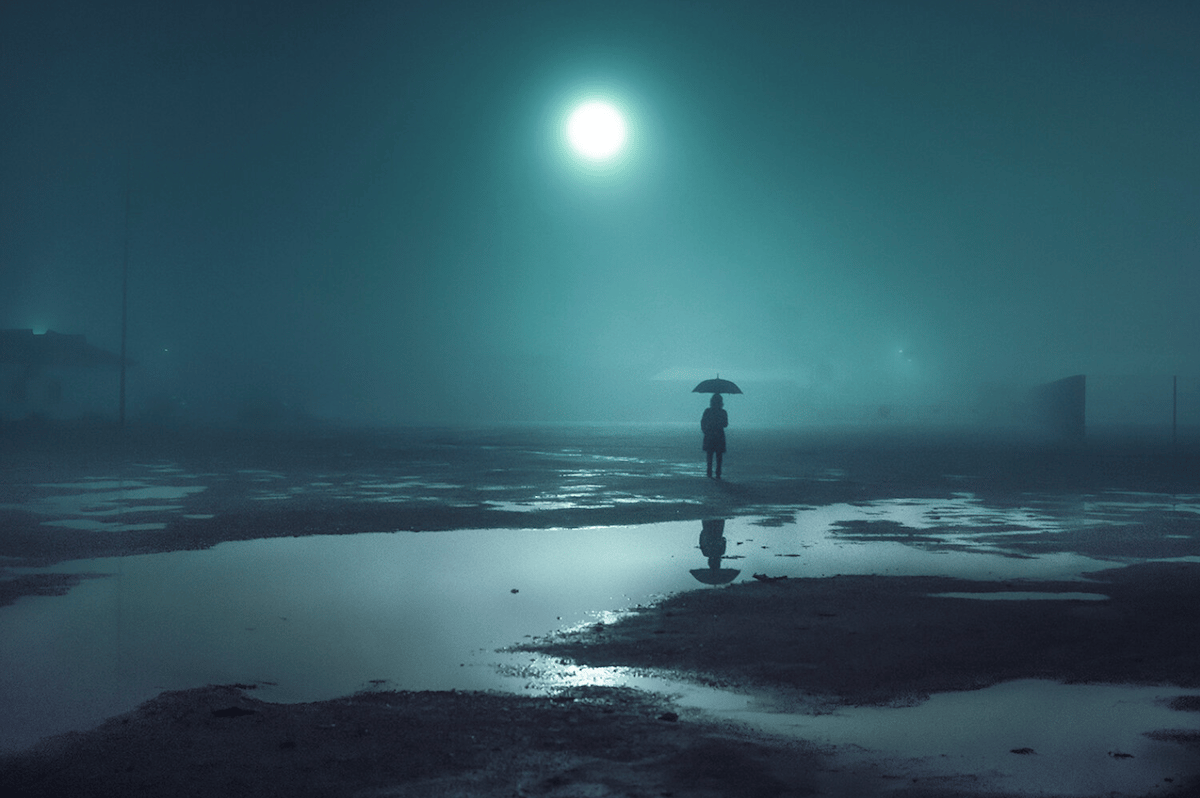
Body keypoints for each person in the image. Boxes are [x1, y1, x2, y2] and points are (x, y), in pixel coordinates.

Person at [700, 393, 728, 478]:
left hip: (710, 434)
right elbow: (725, 424)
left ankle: (709, 471)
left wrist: (705, 430)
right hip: (719, 434)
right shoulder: (723, 412)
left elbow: (703, 422)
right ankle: (718, 471)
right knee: (719, 455)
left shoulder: (707, 411)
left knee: (710, 454)